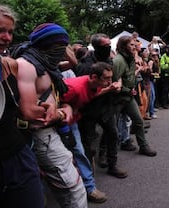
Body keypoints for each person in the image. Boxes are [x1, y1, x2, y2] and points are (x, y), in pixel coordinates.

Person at [16, 23, 87, 208]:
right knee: (73, 189)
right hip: (42, 134)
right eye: (58, 45)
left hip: (52, 131)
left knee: (59, 185)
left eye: (65, 45)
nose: (62, 50)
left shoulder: (47, 64)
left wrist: (66, 43)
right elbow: (29, 111)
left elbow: (73, 63)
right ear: (45, 44)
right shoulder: (28, 66)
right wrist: (64, 112)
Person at [0, 4, 45, 208]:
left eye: (10, 32)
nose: (7, 37)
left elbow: (24, 109)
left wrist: (49, 108)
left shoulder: (9, 65)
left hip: (17, 156)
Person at [61, 62, 120, 203]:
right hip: (60, 123)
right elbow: (56, 101)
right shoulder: (74, 88)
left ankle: (89, 187)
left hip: (73, 121)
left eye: (111, 78)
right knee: (73, 154)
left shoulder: (96, 85)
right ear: (94, 77)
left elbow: (96, 92)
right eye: (106, 78)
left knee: (79, 152)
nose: (109, 82)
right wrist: (68, 106)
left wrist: (109, 88)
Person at [75, 33, 128, 178]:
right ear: (97, 47)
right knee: (88, 142)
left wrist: (117, 85)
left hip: (106, 106)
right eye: (105, 46)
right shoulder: (85, 65)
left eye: (109, 45)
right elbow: (83, 92)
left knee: (113, 134)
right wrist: (108, 89)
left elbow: (117, 78)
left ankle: (112, 164)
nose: (109, 48)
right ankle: (87, 173)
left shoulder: (108, 60)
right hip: (89, 108)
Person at [113, 35, 157, 157]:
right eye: (131, 45)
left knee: (138, 121)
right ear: (123, 46)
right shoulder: (118, 61)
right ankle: (104, 154)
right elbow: (114, 83)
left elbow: (130, 77)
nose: (135, 47)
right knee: (111, 127)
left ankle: (143, 146)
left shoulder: (130, 59)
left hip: (128, 96)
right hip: (117, 98)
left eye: (134, 45)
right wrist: (127, 90)